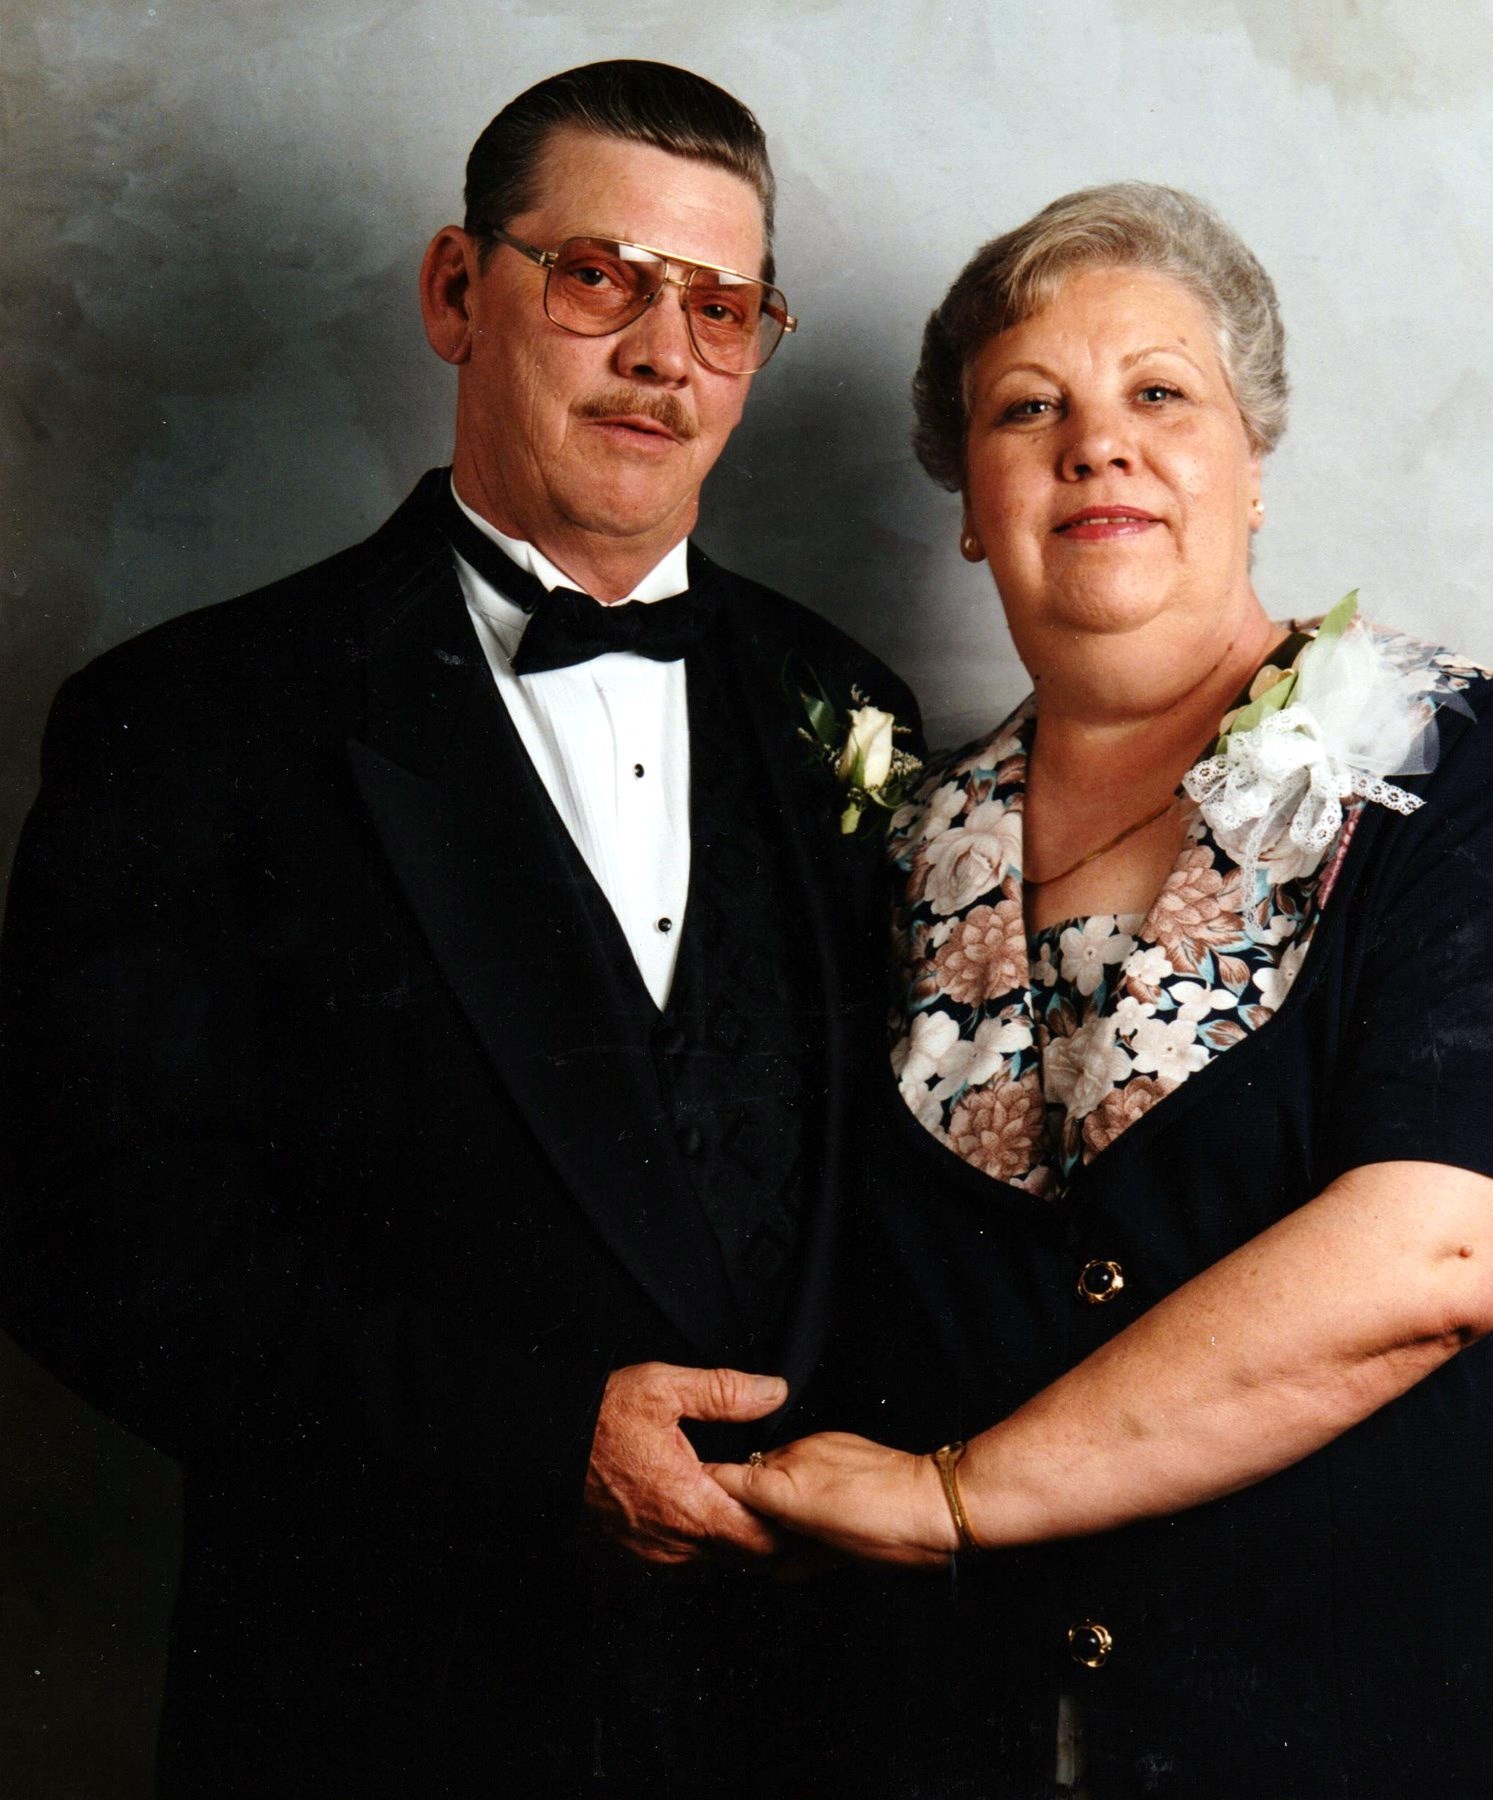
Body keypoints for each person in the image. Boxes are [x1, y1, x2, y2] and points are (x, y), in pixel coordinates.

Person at [0, 59, 918, 1800]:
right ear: (454, 292)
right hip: (383, 1708)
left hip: (796, 1710)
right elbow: (87, 1243)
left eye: (720, 308)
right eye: (600, 278)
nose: (662, 353)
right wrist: (537, 1437)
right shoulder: (190, 717)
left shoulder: (848, 706)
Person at [713, 182, 1493, 1798]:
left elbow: (1440, 1254)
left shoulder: (1455, 763)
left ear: (1254, 462)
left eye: (1160, 393)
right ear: (971, 504)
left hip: (1426, 1735)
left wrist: (957, 1497)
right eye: (1030, 409)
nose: (1099, 445)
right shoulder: (896, 848)